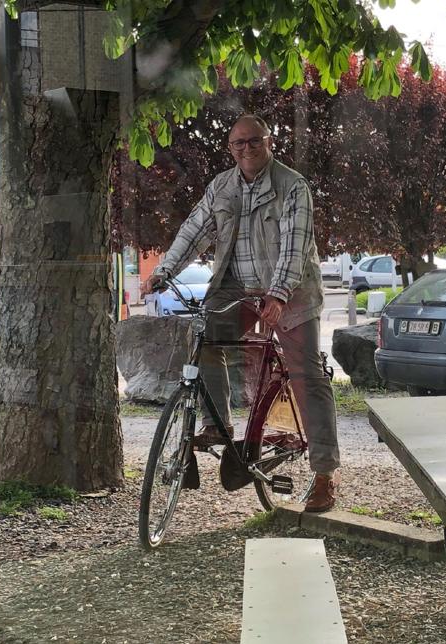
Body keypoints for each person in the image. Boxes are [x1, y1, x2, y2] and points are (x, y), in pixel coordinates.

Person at [141, 115, 340, 512]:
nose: (245, 149)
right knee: (204, 336)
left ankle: (324, 475)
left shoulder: (292, 187)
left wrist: (279, 294)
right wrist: (164, 271)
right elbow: (194, 230)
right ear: (230, 148)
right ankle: (219, 424)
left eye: (253, 141)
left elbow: (294, 247)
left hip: (291, 290)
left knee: (306, 377)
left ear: (270, 142)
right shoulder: (222, 187)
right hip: (236, 286)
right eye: (238, 144)